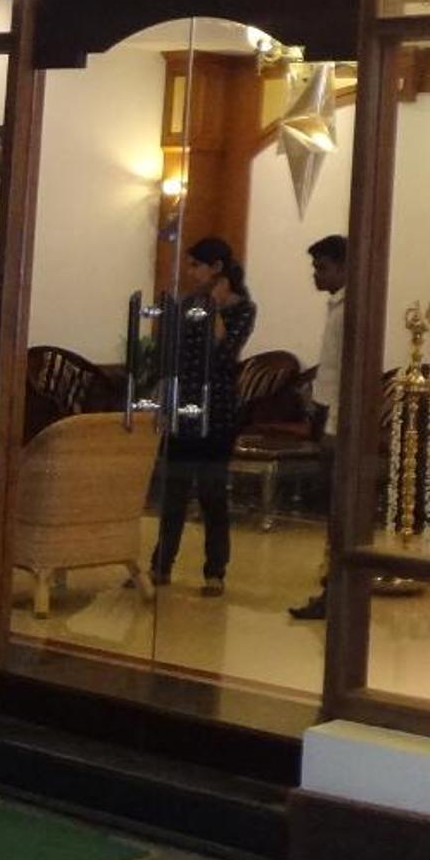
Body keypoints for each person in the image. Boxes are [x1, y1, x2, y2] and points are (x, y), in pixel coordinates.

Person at [149, 236, 255, 596]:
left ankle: (215, 571)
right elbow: (171, 354)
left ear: (217, 268)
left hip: (217, 411)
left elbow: (224, 354)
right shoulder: (187, 304)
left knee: (212, 493)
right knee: (174, 492)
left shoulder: (242, 309)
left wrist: (216, 308)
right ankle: (161, 565)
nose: (190, 272)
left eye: (196, 265)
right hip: (183, 409)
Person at [291, 233, 347, 622]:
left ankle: (334, 592)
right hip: (327, 415)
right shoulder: (337, 306)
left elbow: (344, 373)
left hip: (337, 422)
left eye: (322, 267)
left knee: (339, 512)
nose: (316, 274)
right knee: (331, 510)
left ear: (344, 268)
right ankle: (330, 589)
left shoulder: (349, 310)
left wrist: (332, 425)